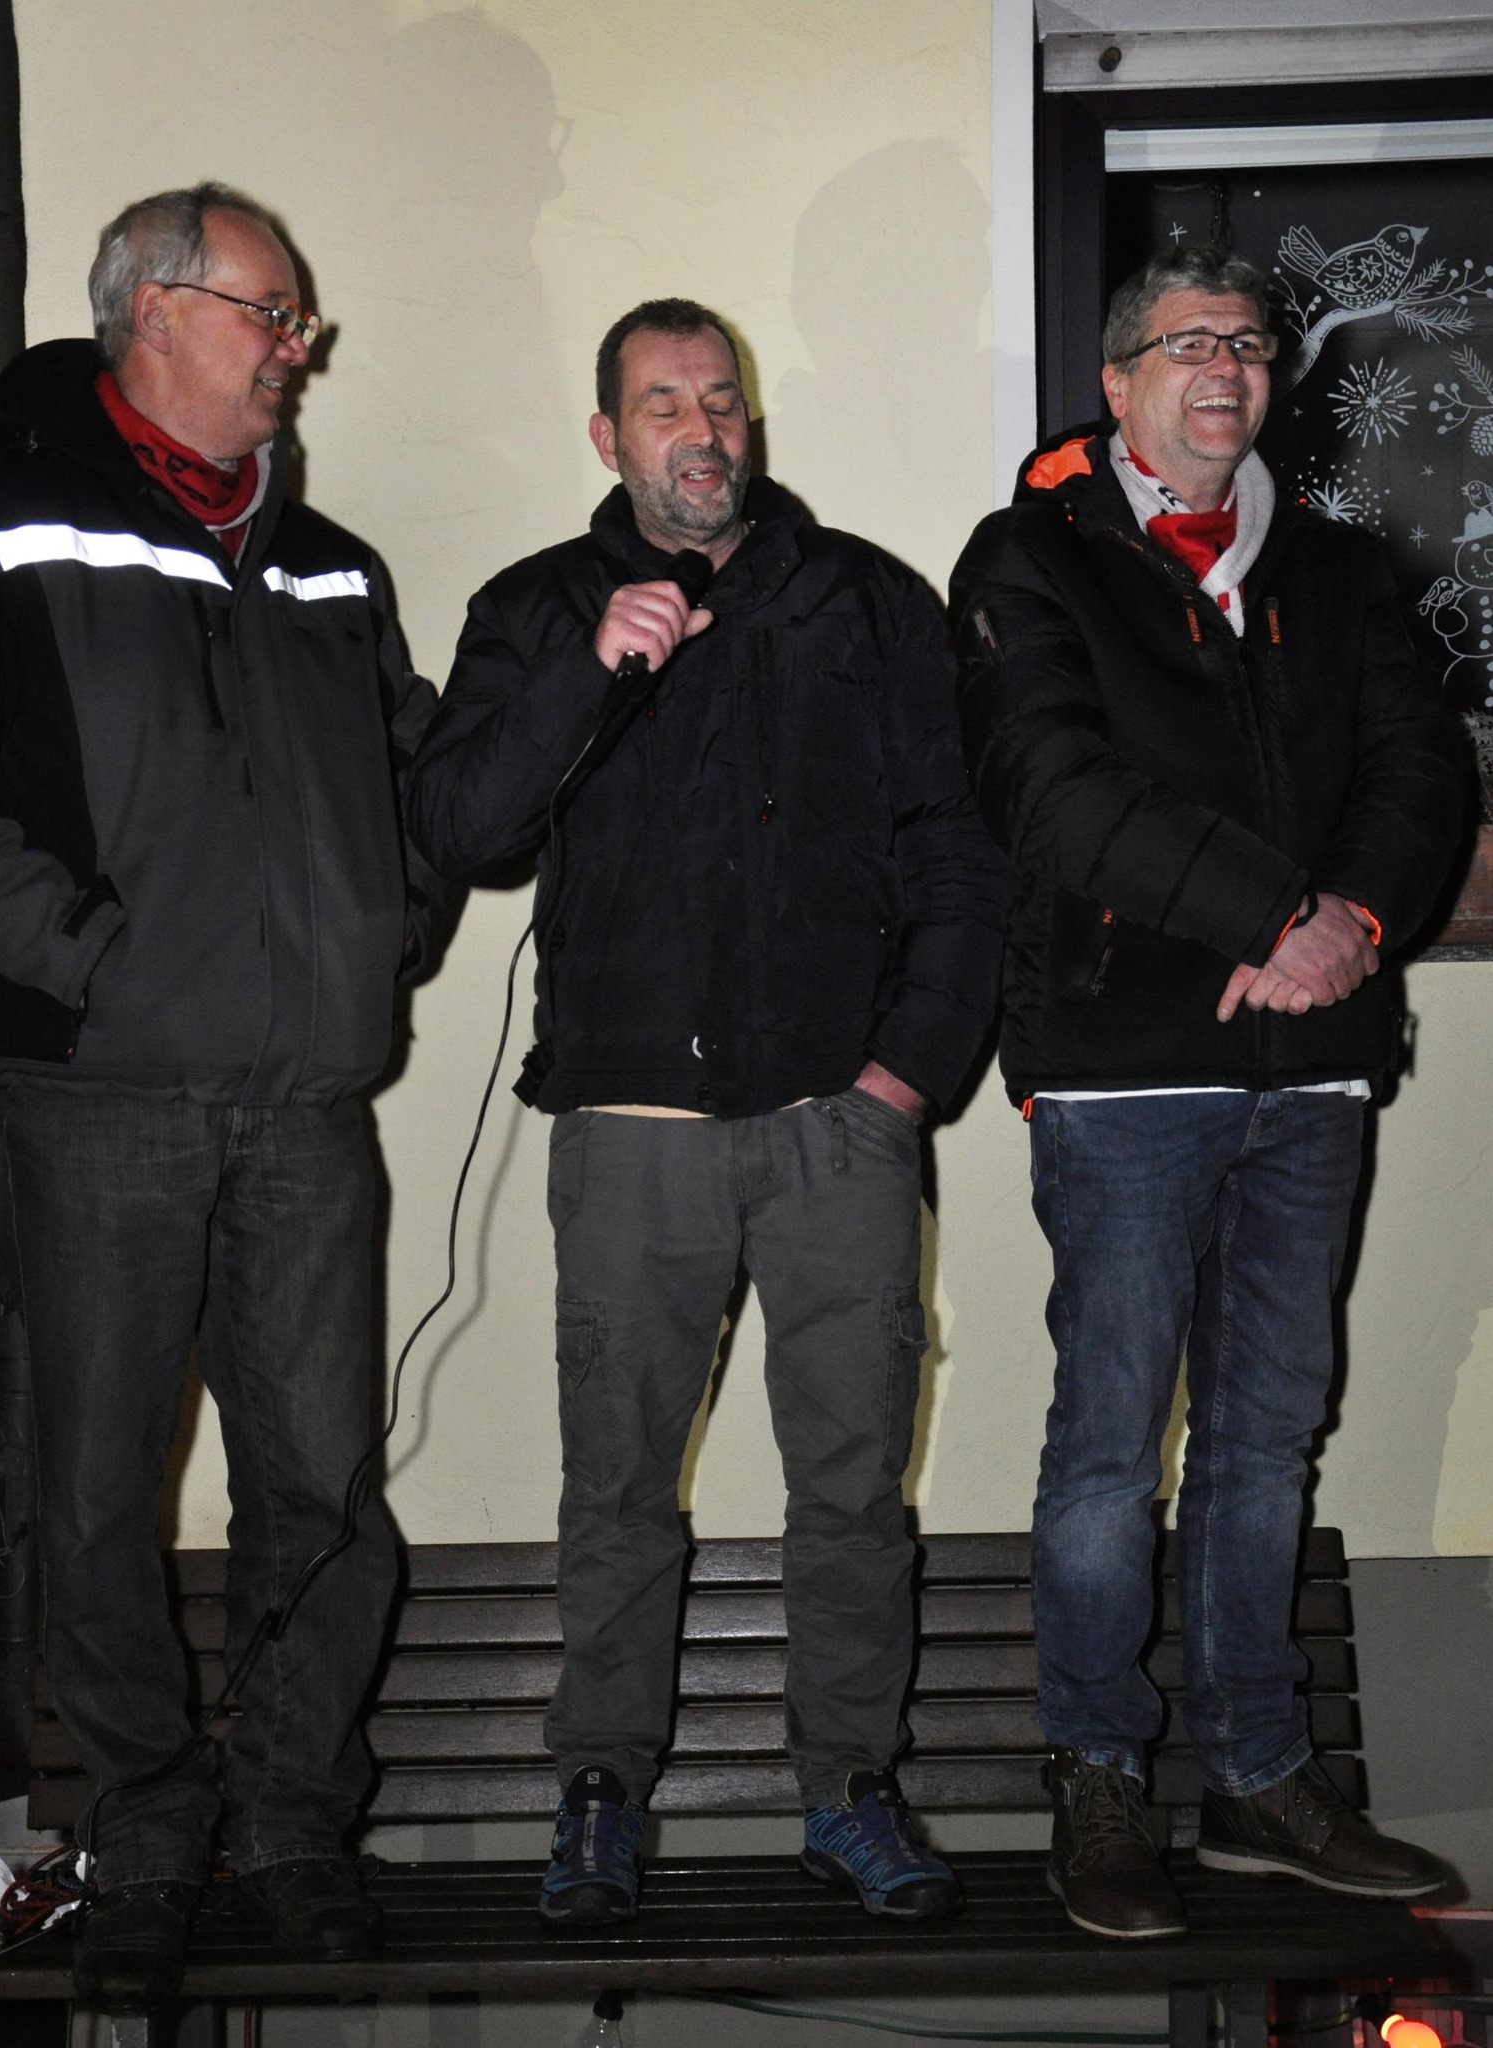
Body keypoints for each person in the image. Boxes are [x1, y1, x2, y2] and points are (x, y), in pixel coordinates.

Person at [0, 184, 441, 2006]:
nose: (297, 348)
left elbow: (411, 789)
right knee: (95, 1488)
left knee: (321, 1489)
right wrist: (78, 951)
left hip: (307, 1105)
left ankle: (294, 1825)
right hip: (98, 1093)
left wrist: (378, 934)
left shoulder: (333, 566)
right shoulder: (2, 524)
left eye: (298, 318)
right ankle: (147, 1827)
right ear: (156, 312)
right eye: (274, 312)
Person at [406, 298, 1007, 1926]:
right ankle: (600, 1791)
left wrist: (905, 1079)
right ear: (608, 436)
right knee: (615, 1494)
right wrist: (583, 671)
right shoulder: (535, 608)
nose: (702, 429)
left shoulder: (867, 602)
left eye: (722, 399)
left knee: (852, 1494)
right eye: (664, 403)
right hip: (629, 1136)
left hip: (837, 1127)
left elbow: (958, 853)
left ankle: (848, 1792)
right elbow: (460, 829)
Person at [948, 246, 1463, 1939]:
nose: (1222, 369)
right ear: (1117, 383)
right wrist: (1268, 914)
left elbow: (1418, 770)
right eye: (1184, 346)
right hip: (1122, 1078)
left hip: (1310, 1073)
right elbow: (1047, 789)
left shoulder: (1335, 567)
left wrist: (1349, 927)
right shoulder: (1029, 559)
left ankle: (1256, 1779)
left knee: (1264, 1445)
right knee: (1110, 1453)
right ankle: (1098, 1778)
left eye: (1244, 342)